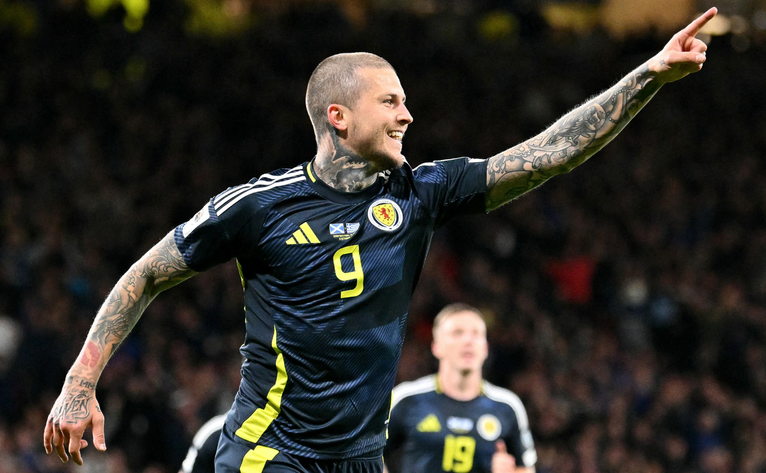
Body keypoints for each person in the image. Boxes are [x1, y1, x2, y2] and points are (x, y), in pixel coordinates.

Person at [43, 7, 717, 472]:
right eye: (391, 101)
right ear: (338, 116)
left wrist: (648, 76)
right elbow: (147, 274)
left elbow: (549, 155)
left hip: (361, 458)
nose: (408, 114)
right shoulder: (259, 205)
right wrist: (80, 383)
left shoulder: (422, 192)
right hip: (270, 452)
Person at [384, 304, 536, 473]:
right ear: (436, 347)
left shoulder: (507, 406)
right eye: (457, 333)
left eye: (476, 334)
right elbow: (369, 453)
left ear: (485, 348)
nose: (468, 340)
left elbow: (525, 468)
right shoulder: (406, 398)